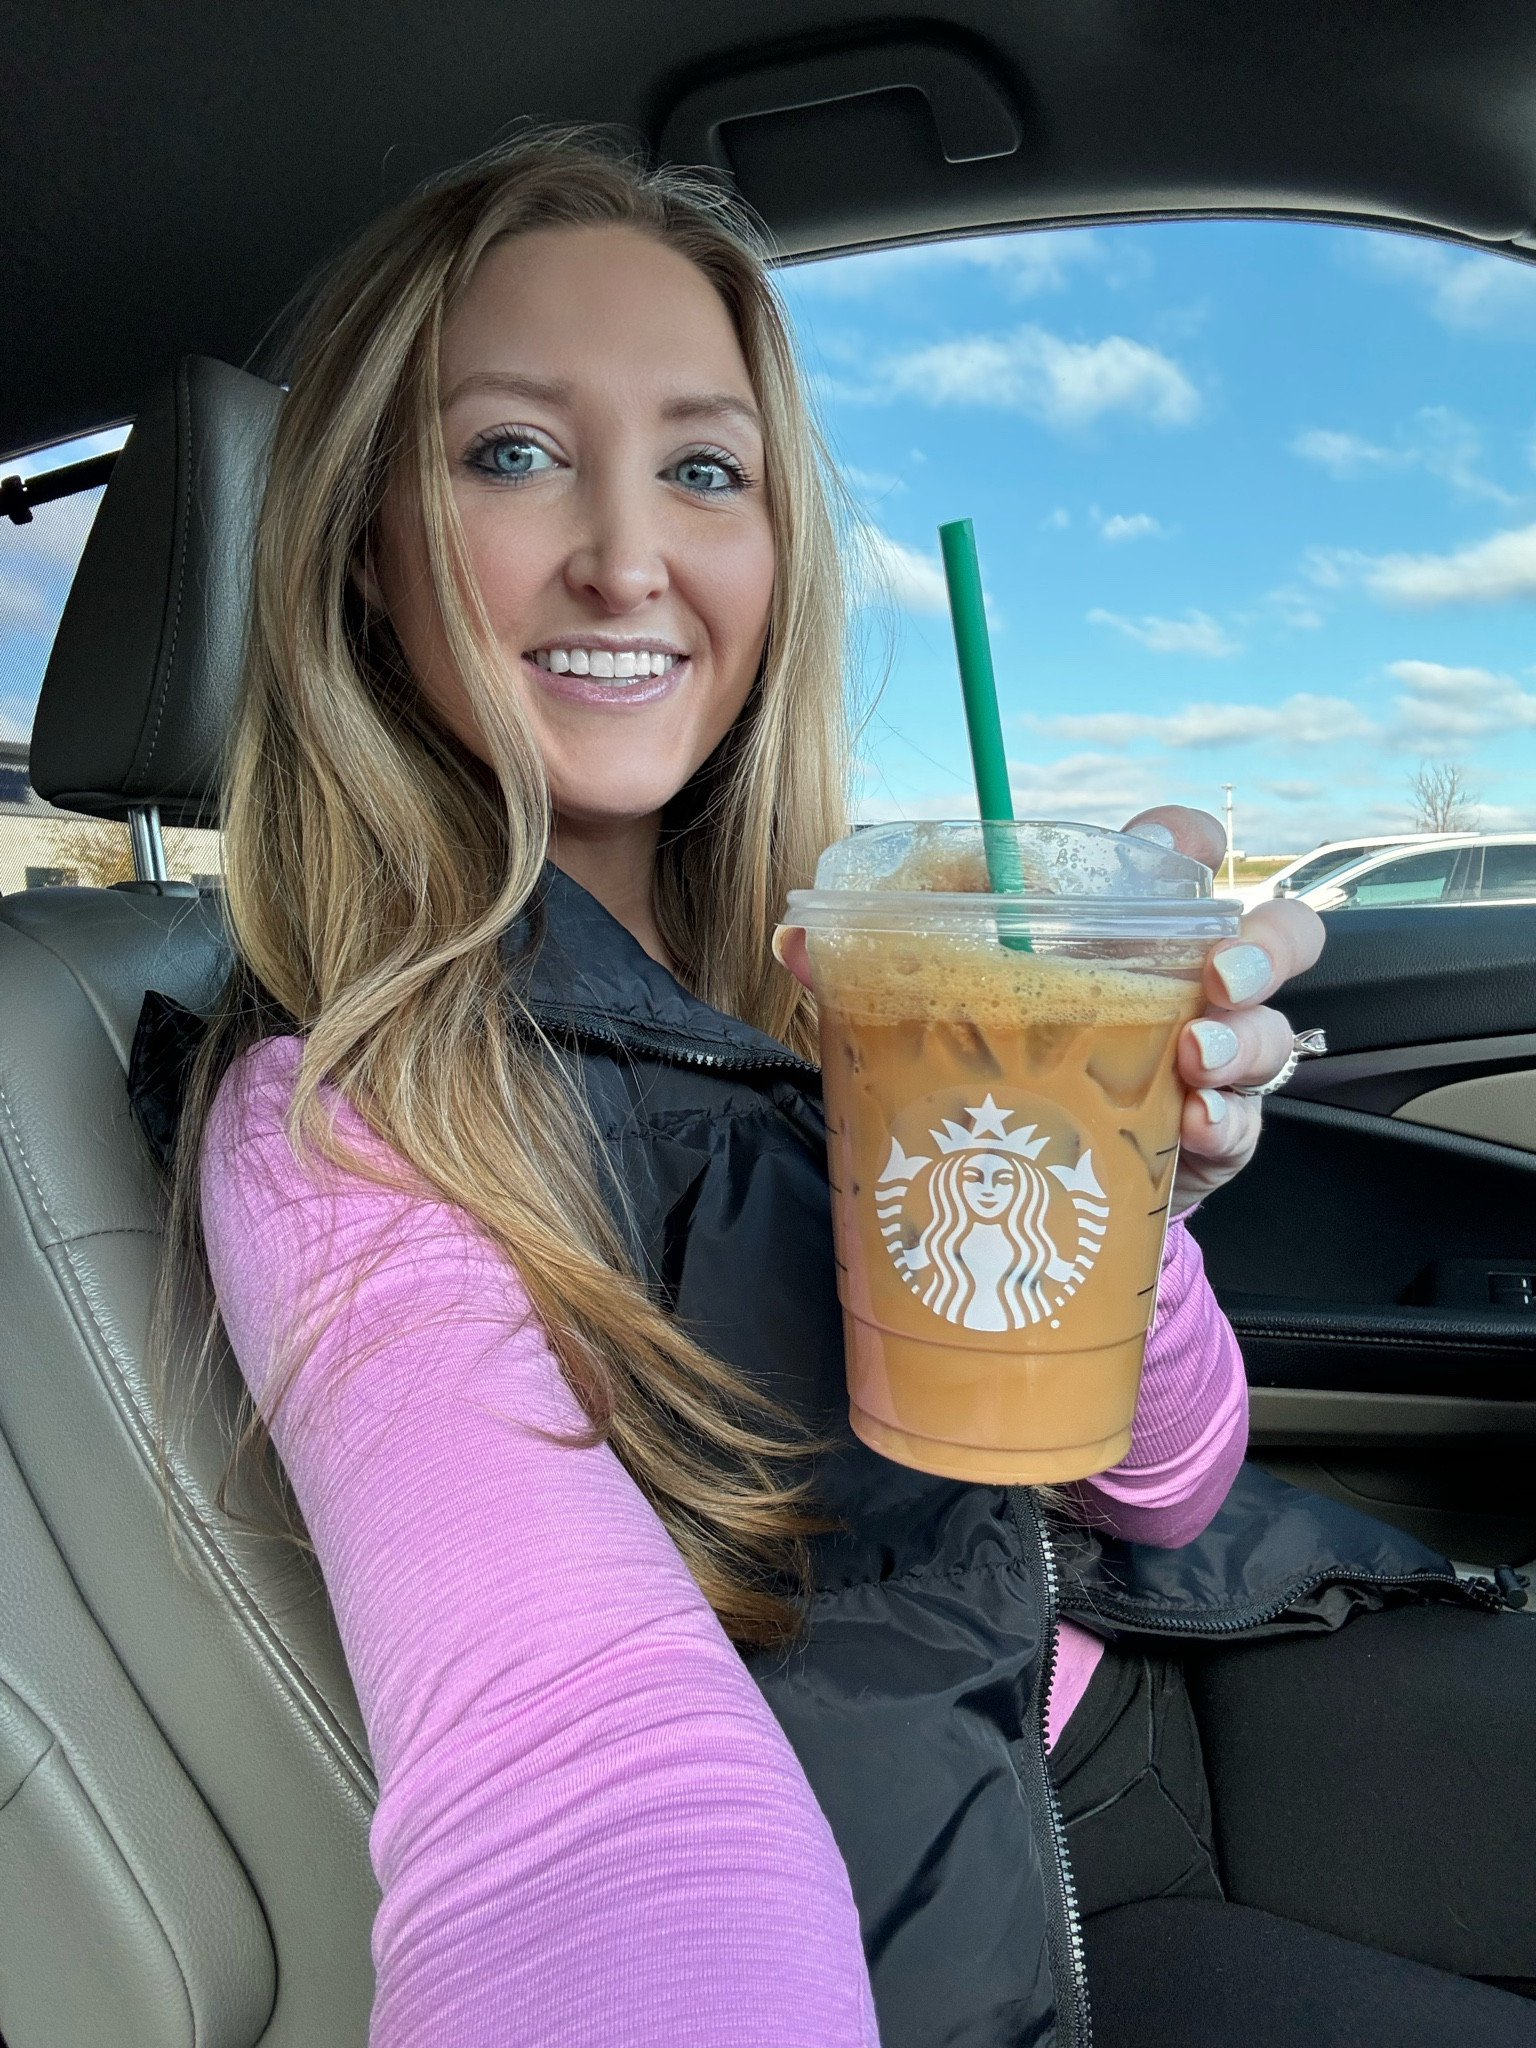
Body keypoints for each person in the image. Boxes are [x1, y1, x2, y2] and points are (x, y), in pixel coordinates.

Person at [152, 133, 1535, 2048]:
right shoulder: (359, 1124)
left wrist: (1136, 1194)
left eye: (703, 469)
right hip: (965, 1913)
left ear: (775, 552)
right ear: (367, 555)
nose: (626, 552)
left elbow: (1165, 1483)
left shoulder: (831, 979)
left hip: (1115, 1690)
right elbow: (580, 1780)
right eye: (511, 452)